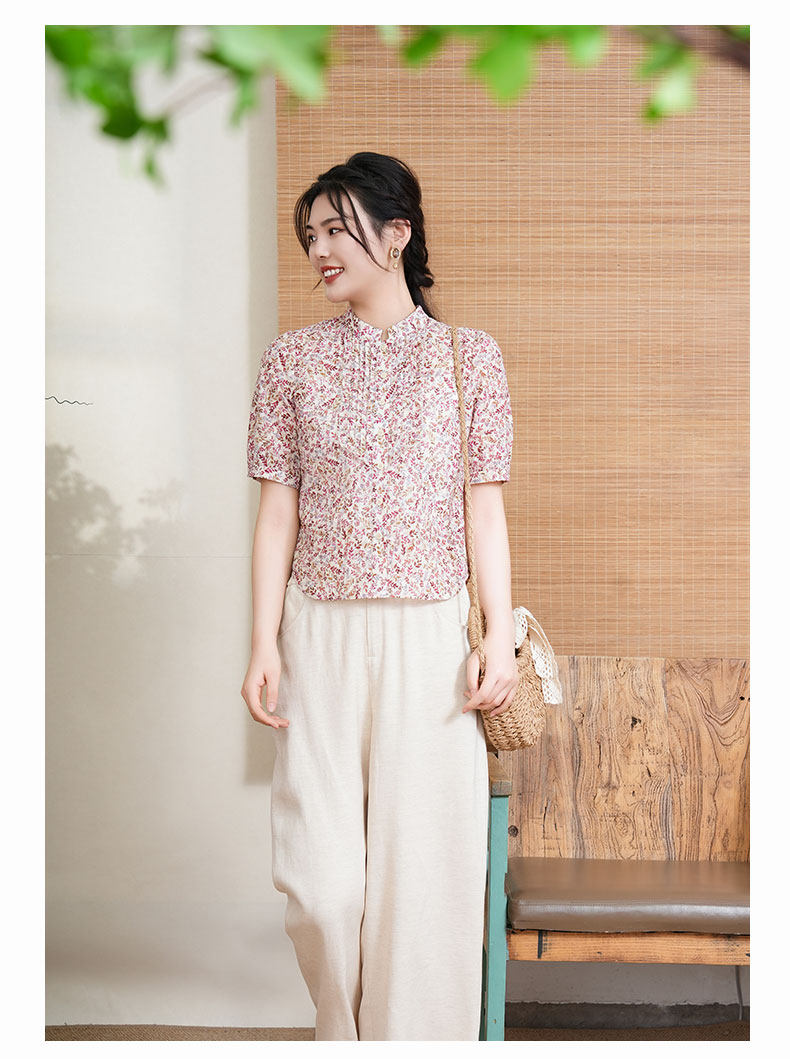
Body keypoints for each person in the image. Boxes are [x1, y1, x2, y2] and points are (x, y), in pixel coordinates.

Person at [240, 152, 517, 1041]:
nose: (318, 249)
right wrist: (263, 641)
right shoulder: (291, 360)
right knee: (321, 884)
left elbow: (483, 511)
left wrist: (498, 637)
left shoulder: (470, 359)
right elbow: (277, 514)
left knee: (424, 882)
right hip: (317, 634)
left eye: (337, 229)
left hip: (430, 642)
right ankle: (342, 1037)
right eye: (310, 234)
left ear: (397, 235)